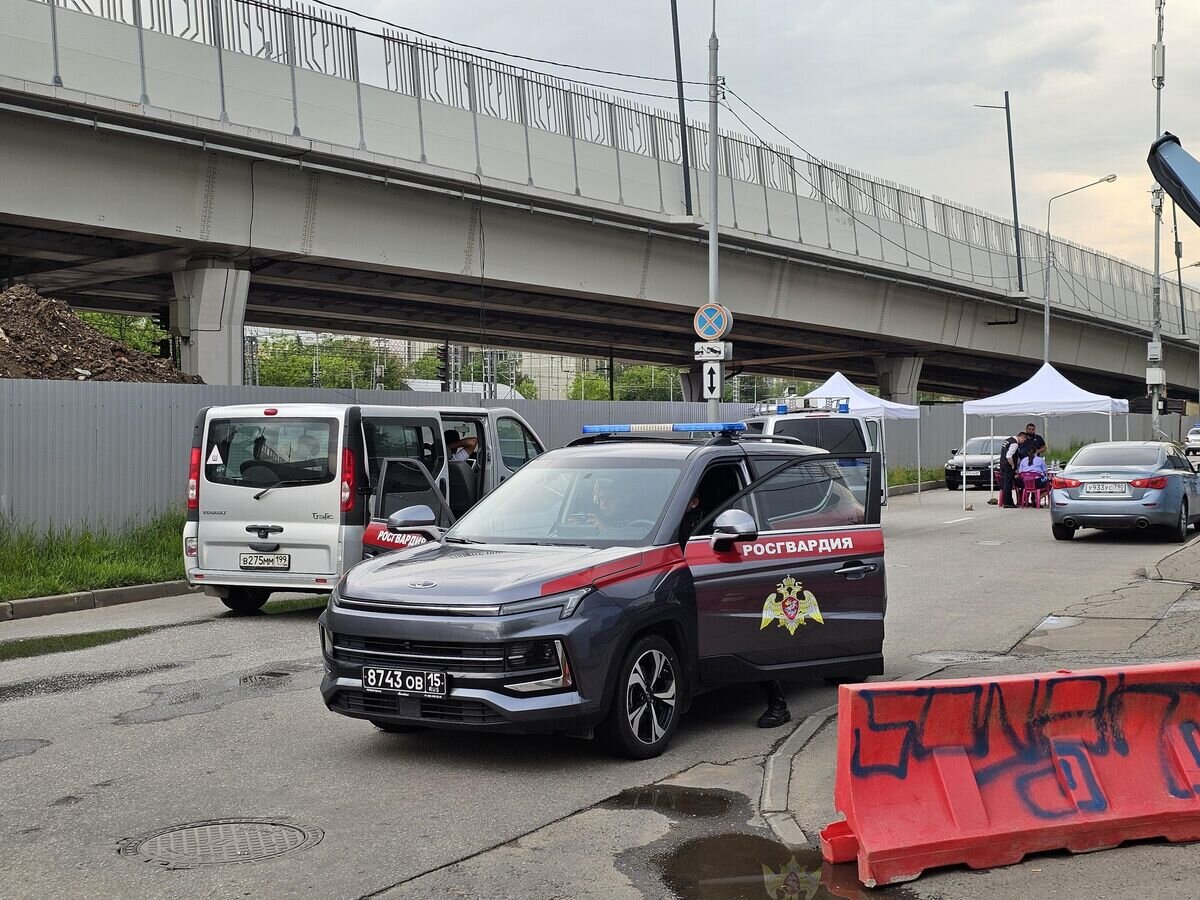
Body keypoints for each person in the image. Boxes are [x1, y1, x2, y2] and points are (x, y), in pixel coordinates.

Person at [999, 432, 1027, 508]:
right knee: (1008, 484)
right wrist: (1012, 465)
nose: (1023, 442)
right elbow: (1009, 456)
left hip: (1002, 464)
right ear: (1022, 437)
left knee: (1006, 483)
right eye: (1024, 440)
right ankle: (1008, 502)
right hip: (1008, 466)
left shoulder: (1008, 440)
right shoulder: (1014, 444)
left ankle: (1006, 501)